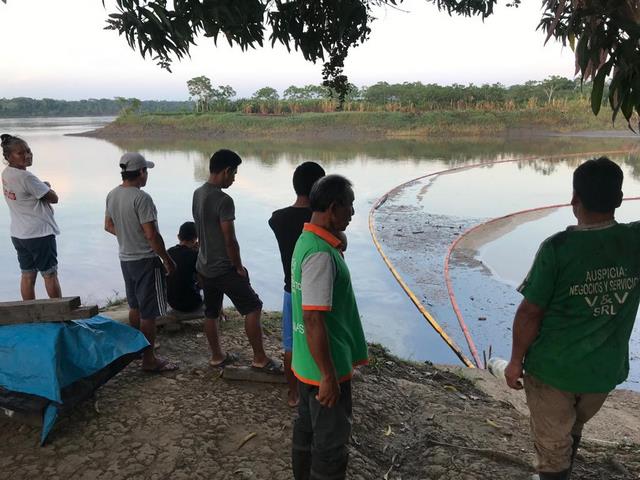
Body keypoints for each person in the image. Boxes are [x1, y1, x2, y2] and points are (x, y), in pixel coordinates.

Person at [504, 157, 640, 480]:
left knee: (552, 452)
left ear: (574, 200)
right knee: (571, 428)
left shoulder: (557, 248)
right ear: (620, 200)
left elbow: (529, 313)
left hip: (553, 372)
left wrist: (514, 362)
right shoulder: (635, 241)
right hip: (601, 374)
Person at [290, 174, 368, 480]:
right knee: (331, 445)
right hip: (325, 365)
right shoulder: (321, 256)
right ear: (333, 208)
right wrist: (328, 376)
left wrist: (339, 239)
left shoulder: (308, 239)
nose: (352, 214)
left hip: (307, 363)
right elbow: (313, 318)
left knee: (307, 431)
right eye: (349, 207)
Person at [192, 149, 280, 372]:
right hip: (223, 267)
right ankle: (260, 358)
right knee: (253, 307)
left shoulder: (198, 193)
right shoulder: (224, 200)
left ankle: (216, 356)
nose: (234, 179)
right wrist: (238, 267)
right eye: (234, 174)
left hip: (204, 265)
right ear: (225, 171)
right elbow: (229, 239)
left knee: (211, 312)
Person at [105, 152, 178, 372]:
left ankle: (136, 350)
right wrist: (167, 259)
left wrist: (127, 236)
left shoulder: (112, 194)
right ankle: (149, 360)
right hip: (145, 260)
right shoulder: (141, 198)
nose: (147, 175)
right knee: (149, 313)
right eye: (146, 171)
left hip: (125, 259)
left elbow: (108, 225)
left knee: (135, 306)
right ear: (141, 173)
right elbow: (151, 234)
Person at [269, 161, 326, 407]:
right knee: (318, 338)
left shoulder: (278, 218)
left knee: (291, 344)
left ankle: (293, 395)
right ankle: (320, 385)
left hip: (290, 290)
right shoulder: (322, 222)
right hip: (317, 293)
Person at [1, 134, 62, 300]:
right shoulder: (26, 177)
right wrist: (46, 186)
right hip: (39, 234)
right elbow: (53, 198)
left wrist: (42, 187)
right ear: (8, 157)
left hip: (19, 234)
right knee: (50, 274)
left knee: (27, 275)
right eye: (20, 153)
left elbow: (30, 191)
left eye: (28, 151)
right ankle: (60, 315)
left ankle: (29, 315)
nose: (27, 155)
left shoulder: (7, 174)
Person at [167, 221, 203, 313]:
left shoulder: (169, 252)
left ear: (178, 237)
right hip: (191, 304)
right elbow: (203, 283)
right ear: (196, 239)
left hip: (172, 302)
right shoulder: (195, 256)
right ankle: (219, 313)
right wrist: (199, 253)